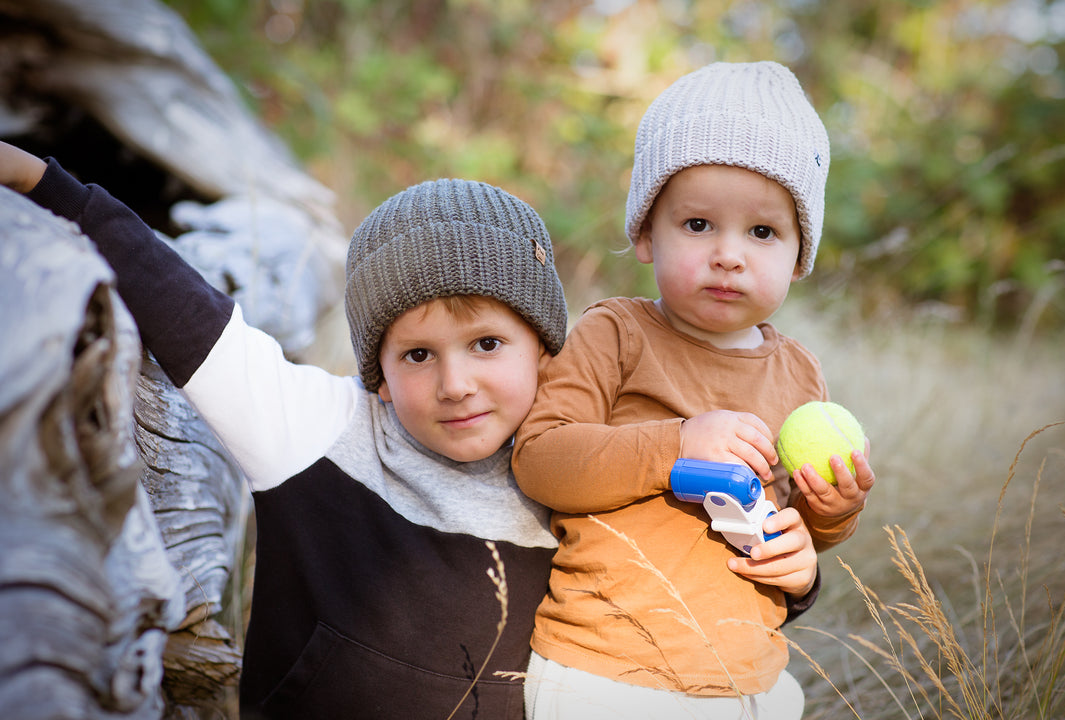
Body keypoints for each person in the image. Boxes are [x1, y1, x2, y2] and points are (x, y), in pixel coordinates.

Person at [0, 140, 569, 719]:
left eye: (487, 345)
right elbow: (193, 319)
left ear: (544, 351)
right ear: (380, 375)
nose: (456, 383)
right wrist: (43, 184)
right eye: (418, 355)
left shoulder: (580, 469)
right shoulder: (325, 433)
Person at [511, 61, 876, 719]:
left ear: (798, 256)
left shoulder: (799, 374)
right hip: (604, 674)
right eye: (699, 224)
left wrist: (826, 520)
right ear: (647, 232)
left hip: (751, 683)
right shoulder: (615, 334)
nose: (728, 254)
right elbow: (540, 461)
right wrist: (678, 443)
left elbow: (789, 523)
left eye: (762, 231)